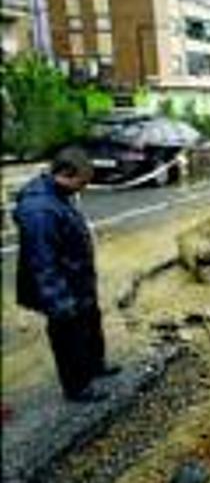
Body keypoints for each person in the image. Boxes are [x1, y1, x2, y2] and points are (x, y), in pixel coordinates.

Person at [13, 149, 119, 403]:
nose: (83, 188)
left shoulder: (58, 194)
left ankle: (95, 365)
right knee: (68, 335)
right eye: (81, 182)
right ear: (65, 174)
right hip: (61, 287)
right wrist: (59, 303)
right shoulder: (39, 211)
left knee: (90, 322)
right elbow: (42, 262)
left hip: (78, 279)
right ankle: (77, 387)